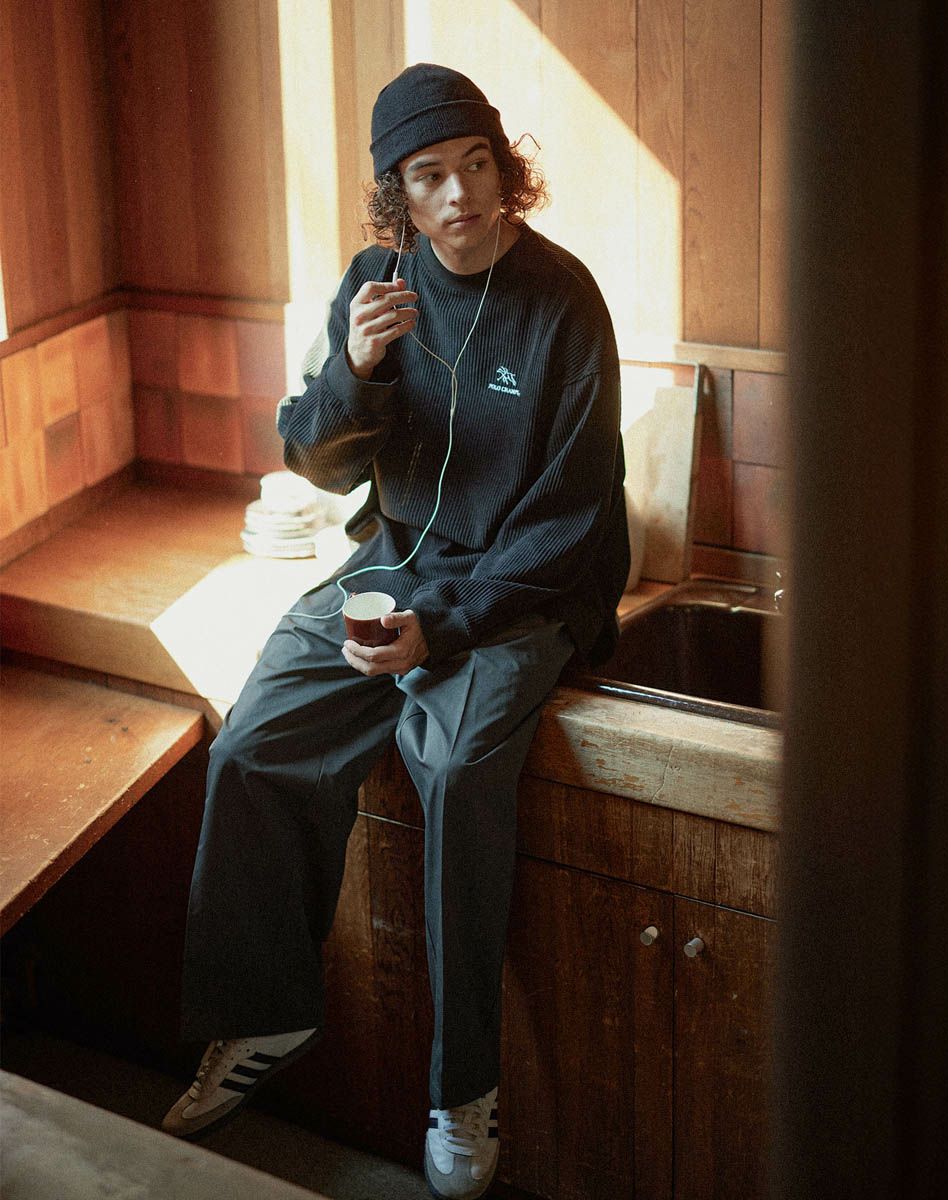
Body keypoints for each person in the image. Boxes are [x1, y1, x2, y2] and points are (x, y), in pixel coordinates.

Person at [162, 63, 629, 1200]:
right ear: (398, 197)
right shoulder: (374, 286)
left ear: (504, 170)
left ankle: (463, 1088)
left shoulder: (563, 299)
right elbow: (316, 463)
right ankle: (262, 1015)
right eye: (431, 176)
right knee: (252, 742)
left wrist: (446, 627)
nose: (461, 194)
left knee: (456, 769)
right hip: (395, 566)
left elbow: (572, 520)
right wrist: (356, 368)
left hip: (522, 589)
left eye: (477, 165)